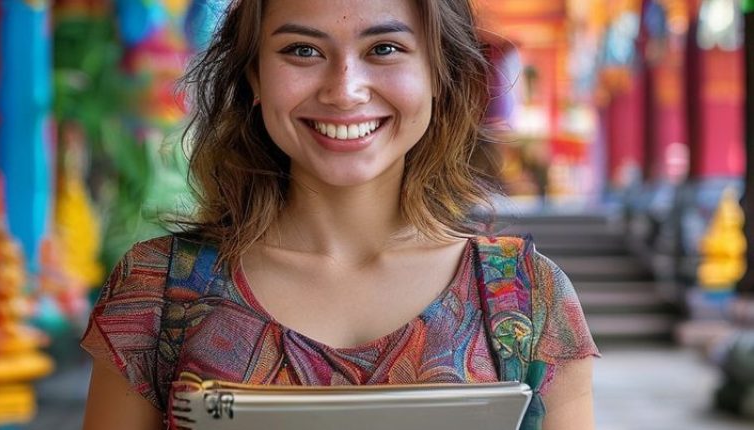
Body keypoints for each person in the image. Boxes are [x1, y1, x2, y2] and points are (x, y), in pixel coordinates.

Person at [80, 0, 600, 429]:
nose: (344, 89)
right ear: (254, 77)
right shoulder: (155, 290)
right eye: (302, 50)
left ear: (440, 75)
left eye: (385, 49)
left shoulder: (529, 298)